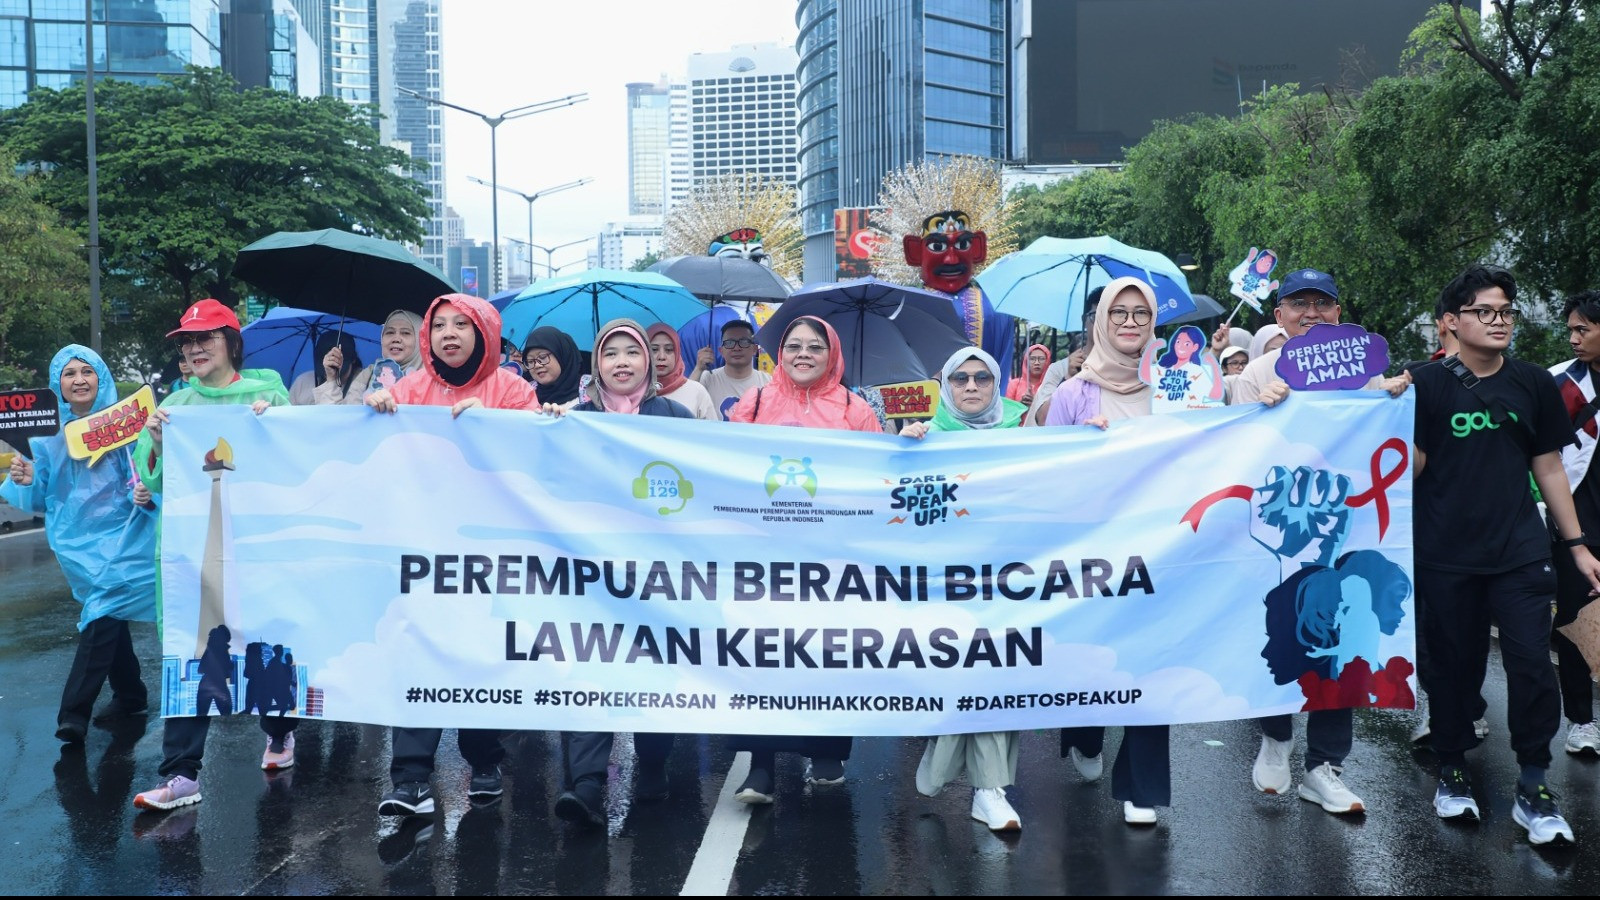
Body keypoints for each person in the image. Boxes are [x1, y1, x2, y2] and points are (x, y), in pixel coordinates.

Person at [1409, 265, 1598, 845]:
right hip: (1444, 553)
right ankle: (1454, 770)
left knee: (1530, 665)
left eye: (1507, 312)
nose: (1499, 321)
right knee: (1453, 668)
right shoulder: (1422, 384)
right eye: (1485, 312)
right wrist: (1381, 408)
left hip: (1519, 551)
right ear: (1451, 322)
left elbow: (1548, 469)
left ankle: (1535, 786)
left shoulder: (1534, 383)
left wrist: (1576, 544)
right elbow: (1407, 467)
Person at [1231, 268, 1407, 817]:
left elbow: (1385, 429)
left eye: (1322, 303)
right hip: (1278, 529)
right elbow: (1225, 446)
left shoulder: (1364, 366)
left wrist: (1393, 398)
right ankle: (1276, 736)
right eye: (1298, 303)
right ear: (1278, 314)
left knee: (1348, 633)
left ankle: (1325, 766)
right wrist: (1259, 404)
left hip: (1346, 525)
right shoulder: (1253, 372)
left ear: (1338, 310)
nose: (1311, 313)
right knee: (1278, 632)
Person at [366, 293, 541, 817]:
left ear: (483, 331)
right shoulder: (409, 388)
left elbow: (539, 452)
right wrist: (372, 411)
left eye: (461, 324)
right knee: (418, 648)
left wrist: (499, 424)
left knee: (479, 654)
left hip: (490, 551)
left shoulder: (513, 389)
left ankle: (483, 761)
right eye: (438, 325)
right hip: (424, 550)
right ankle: (410, 778)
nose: (448, 334)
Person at [129, 299, 293, 812]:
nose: (195, 348)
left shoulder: (269, 393)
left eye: (206, 338)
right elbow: (151, 481)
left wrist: (276, 424)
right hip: (195, 556)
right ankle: (181, 774)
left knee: (265, 643)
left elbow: (296, 460)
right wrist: (155, 440)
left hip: (258, 551)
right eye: (187, 341)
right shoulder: (175, 408)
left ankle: (281, 733)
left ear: (231, 343)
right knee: (191, 646)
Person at [539, 319, 691, 827]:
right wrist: (551, 428)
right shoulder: (572, 418)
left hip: (658, 573)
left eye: (633, 352)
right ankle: (584, 784)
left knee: (653, 668)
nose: (622, 361)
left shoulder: (677, 416)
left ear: (649, 363)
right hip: (588, 574)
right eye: (611, 353)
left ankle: (651, 762)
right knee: (587, 666)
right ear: (597, 365)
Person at [726, 315, 880, 802]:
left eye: (815, 346)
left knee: (830, 653)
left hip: (833, 560)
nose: (803, 354)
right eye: (793, 345)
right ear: (779, 352)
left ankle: (827, 751)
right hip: (765, 557)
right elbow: (720, 466)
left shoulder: (856, 409)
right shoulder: (752, 404)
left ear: (831, 353)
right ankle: (761, 766)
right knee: (764, 655)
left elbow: (881, 474)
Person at [1035, 277, 1172, 825]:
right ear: (1102, 323)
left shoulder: (1176, 384)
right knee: (1094, 661)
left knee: (1154, 665)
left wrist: (1267, 400)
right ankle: (1084, 731)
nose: (1131, 323)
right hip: (1094, 557)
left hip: (1166, 550)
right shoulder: (1075, 392)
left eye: (1141, 313)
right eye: (1120, 313)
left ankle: (1141, 786)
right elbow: (1045, 474)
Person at [2, 345, 157, 744]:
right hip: (75, 543)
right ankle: (131, 695)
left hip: (127, 536)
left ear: (100, 377)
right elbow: (38, 495)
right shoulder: (46, 436)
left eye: (87, 371)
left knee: (101, 612)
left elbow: (149, 469)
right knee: (106, 611)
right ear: (59, 384)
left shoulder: (128, 425)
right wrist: (24, 478)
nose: (79, 380)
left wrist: (146, 489)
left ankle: (74, 713)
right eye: (69, 374)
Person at [900, 347, 1026, 831]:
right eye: (959, 379)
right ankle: (966, 778)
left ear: (996, 386)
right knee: (959, 682)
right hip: (945, 587)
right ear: (945, 386)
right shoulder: (925, 435)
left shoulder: (1023, 436)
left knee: (997, 680)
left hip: (1007, 581)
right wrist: (906, 447)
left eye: (981, 379)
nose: (971, 387)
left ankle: (989, 789)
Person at [1550, 289, 1600, 756]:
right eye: (1570, 330)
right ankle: (1582, 720)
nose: (1573, 338)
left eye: (1583, 329)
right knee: (1575, 619)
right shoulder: (1557, 384)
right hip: (1577, 523)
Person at [1027, 288, 1103, 425]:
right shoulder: (1059, 370)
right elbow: (1042, 420)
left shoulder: (1125, 369)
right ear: (1084, 320)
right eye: (1096, 316)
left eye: (1113, 316)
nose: (1103, 324)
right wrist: (1068, 378)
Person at [694, 319, 773, 421]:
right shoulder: (708, 378)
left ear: (754, 349)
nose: (736, 348)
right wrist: (698, 368)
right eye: (730, 343)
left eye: (744, 342)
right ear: (721, 351)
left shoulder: (768, 382)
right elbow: (687, 404)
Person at [647, 323, 718, 420]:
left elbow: (712, 432)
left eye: (669, 350)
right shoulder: (635, 392)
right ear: (644, 352)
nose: (661, 357)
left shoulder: (696, 391)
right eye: (654, 349)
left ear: (677, 352)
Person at [522, 326, 587, 411]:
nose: (537, 365)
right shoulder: (525, 393)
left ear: (561, 355)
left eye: (542, 357)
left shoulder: (592, 389)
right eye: (530, 361)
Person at [289, 331, 363, 405]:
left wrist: (332, 383)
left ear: (353, 359)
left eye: (336, 367)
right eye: (325, 368)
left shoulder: (363, 384)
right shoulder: (302, 382)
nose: (329, 372)